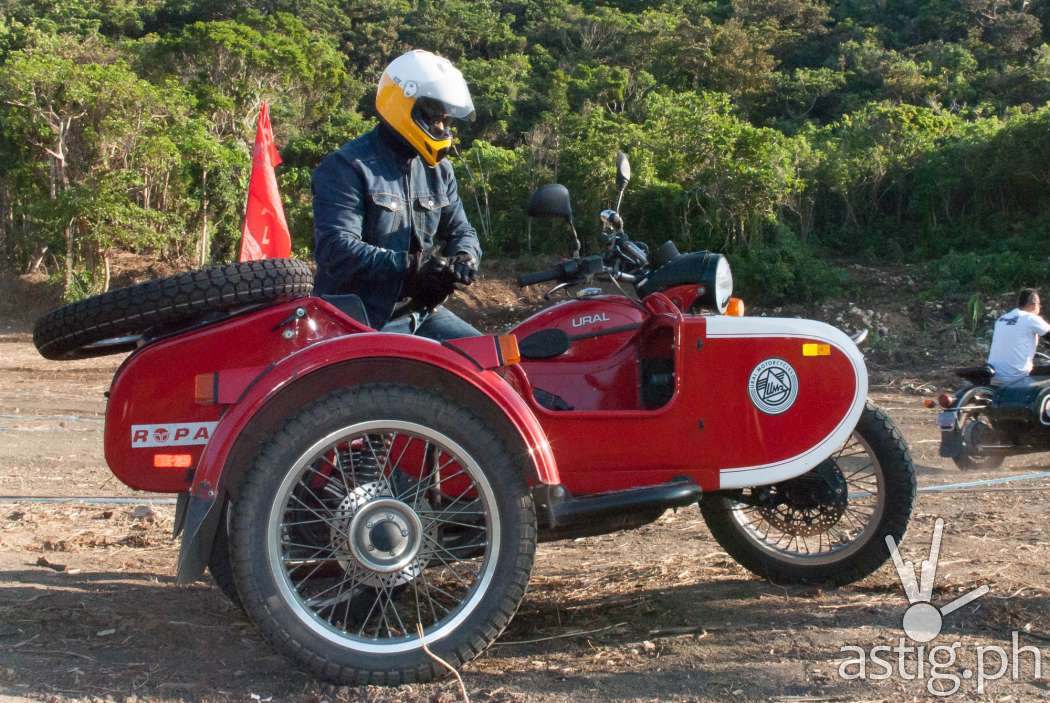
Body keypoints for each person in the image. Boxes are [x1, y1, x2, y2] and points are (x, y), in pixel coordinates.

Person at [311, 49, 482, 340]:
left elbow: (461, 228)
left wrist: (465, 256)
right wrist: (412, 266)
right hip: (359, 317)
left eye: (446, 121)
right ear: (404, 106)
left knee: (492, 365)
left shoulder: (439, 171)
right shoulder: (347, 166)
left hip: (420, 312)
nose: (442, 129)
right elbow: (336, 248)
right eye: (434, 118)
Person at [987, 288, 1050, 384]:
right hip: (1017, 375)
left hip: (993, 374)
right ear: (1034, 304)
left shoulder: (1002, 319)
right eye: (1039, 305)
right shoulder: (1030, 318)